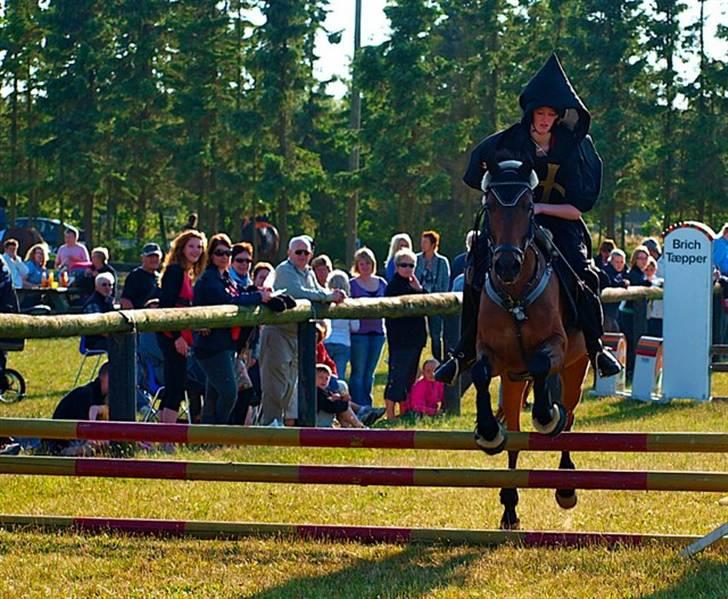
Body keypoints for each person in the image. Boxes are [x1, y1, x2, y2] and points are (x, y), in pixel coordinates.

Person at [437, 53, 622, 385]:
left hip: (562, 224)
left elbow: (578, 208)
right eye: (540, 113)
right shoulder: (507, 143)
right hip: (513, 224)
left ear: (558, 116)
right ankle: (463, 351)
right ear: (531, 114)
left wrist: (540, 210)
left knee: (586, 274)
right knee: (476, 264)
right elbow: (482, 179)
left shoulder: (576, 147)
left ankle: (595, 348)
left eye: (551, 114)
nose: (545, 120)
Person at [259, 236, 345, 426]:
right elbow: (300, 294)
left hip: (297, 335)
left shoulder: (308, 273)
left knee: (290, 382)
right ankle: (269, 423)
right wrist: (330, 295)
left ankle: (278, 423)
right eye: (298, 252)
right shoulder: (284, 270)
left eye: (306, 252)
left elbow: (315, 292)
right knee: (275, 382)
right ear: (289, 253)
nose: (302, 255)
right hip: (278, 333)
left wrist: (326, 296)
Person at [193, 233, 275, 425]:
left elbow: (239, 291)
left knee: (213, 394)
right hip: (211, 346)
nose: (224, 257)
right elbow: (229, 300)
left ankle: (207, 436)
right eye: (219, 253)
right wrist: (258, 298)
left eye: (228, 253)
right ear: (211, 255)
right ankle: (219, 431)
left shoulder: (225, 278)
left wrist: (257, 291)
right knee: (230, 393)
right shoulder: (209, 279)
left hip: (226, 345)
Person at [156, 229, 207, 425]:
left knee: (173, 384)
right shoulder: (175, 271)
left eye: (199, 247)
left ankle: (161, 434)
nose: (196, 250)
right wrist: (176, 336)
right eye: (191, 246)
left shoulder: (187, 273)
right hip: (171, 334)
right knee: (176, 385)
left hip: (181, 334)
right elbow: (167, 306)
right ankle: (167, 436)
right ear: (182, 248)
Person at [383, 248, 427, 420]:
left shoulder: (414, 285)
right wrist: (418, 292)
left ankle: (404, 411)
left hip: (415, 339)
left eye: (411, 265)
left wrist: (420, 289)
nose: (408, 269)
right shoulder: (393, 286)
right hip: (401, 340)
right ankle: (390, 414)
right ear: (396, 267)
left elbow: (426, 304)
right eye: (404, 265)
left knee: (409, 377)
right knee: (397, 376)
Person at [348, 247, 387, 407]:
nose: (365, 267)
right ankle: (359, 406)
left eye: (368, 263)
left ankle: (368, 404)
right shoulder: (352, 284)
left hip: (378, 333)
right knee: (358, 372)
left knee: (370, 373)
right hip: (359, 334)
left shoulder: (381, 283)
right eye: (362, 263)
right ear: (357, 265)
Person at [45, 363, 109, 456]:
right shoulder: (87, 395)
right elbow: (87, 429)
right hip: (61, 443)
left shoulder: (98, 394)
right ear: (106, 377)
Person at [415, 230, 450, 361]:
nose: (423, 245)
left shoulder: (442, 262)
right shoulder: (417, 259)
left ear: (433, 244)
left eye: (425, 242)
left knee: (436, 335)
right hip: (418, 300)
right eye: (422, 242)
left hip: (435, 303)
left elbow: (444, 283)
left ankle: (437, 361)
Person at [618, 246, 652, 377]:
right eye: (640, 258)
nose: (643, 261)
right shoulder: (633, 273)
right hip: (628, 314)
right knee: (631, 342)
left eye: (645, 258)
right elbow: (641, 284)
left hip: (637, 315)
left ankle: (632, 370)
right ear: (635, 259)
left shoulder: (642, 273)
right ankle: (629, 371)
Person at [324, 270, 359, 379]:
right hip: (343, 342)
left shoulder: (324, 302)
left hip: (327, 341)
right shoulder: (350, 304)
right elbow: (355, 327)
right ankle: (339, 394)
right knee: (339, 374)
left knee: (324, 374)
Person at [315, 364, 365, 428]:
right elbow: (328, 407)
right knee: (344, 408)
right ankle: (358, 425)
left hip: (321, 421)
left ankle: (347, 427)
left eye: (327, 378)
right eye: (321, 377)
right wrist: (342, 402)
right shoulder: (315, 392)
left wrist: (340, 399)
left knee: (343, 407)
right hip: (318, 423)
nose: (324, 380)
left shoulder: (324, 391)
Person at [120, 243, 162, 310]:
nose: (154, 259)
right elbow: (125, 300)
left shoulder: (160, 277)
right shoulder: (135, 276)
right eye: (150, 256)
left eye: (156, 256)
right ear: (142, 258)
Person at [82, 272, 117, 351]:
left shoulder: (108, 301)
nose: (108, 288)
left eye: (110, 285)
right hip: (94, 342)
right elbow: (98, 328)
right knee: (121, 345)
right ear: (96, 287)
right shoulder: (93, 304)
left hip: (107, 338)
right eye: (104, 285)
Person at [602, 249, 629, 333]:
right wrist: (623, 283)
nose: (619, 265)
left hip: (614, 313)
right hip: (606, 313)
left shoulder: (619, 274)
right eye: (617, 262)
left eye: (622, 262)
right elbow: (611, 283)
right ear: (611, 261)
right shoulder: (605, 271)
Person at [645, 256, 664, 337]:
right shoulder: (642, 280)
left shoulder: (659, 281)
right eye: (646, 269)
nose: (649, 272)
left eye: (652, 269)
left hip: (658, 316)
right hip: (647, 316)